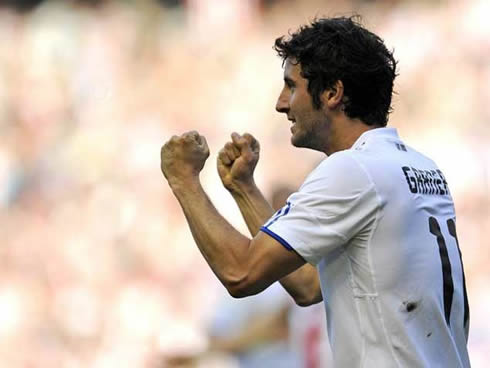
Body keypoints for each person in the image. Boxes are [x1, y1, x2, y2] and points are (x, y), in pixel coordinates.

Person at [160, 16, 470, 367]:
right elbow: (307, 285)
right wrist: (244, 191)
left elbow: (240, 273)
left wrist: (183, 180)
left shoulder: (353, 170)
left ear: (332, 93)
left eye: (291, 86)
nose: (281, 103)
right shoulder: (421, 167)